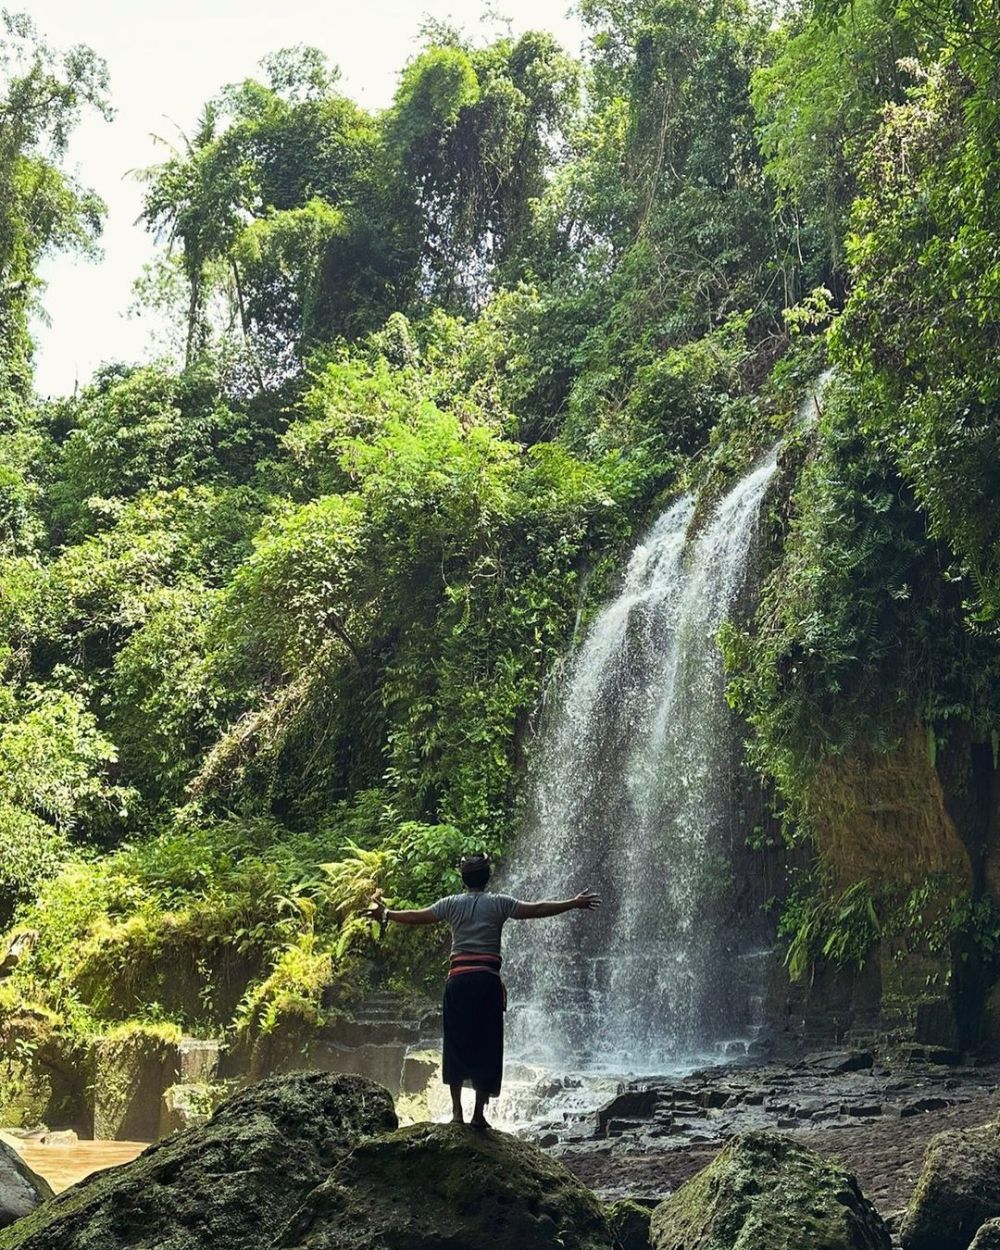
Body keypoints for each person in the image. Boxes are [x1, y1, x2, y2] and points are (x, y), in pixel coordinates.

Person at [367, 852, 599, 1128]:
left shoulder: (451, 904)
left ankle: (456, 1113)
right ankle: (478, 1115)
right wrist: (573, 903)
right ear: (487, 878)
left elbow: (419, 916)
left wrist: (387, 914)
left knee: (456, 1043)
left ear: (463, 879)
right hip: (486, 981)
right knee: (487, 1045)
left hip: (459, 981)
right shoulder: (499, 904)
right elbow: (537, 909)